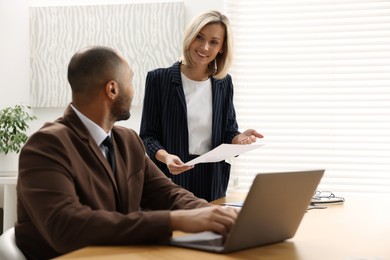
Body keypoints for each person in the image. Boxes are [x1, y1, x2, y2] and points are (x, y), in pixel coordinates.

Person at [15, 46, 239, 260]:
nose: (134, 91)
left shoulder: (128, 141)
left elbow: (168, 194)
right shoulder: (46, 146)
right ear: (112, 89)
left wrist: (214, 215)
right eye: (130, 80)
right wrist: (174, 221)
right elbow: (67, 227)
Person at [140, 10, 263, 202]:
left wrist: (239, 139)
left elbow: (228, 131)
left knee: (213, 231)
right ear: (190, 37)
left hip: (212, 179)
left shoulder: (224, 83)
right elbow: (148, 135)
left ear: (222, 48)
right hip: (172, 176)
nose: (204, 47)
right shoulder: (158, 79)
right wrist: (166, 157)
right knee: (178, 232)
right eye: (199, 37)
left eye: (214, 42)